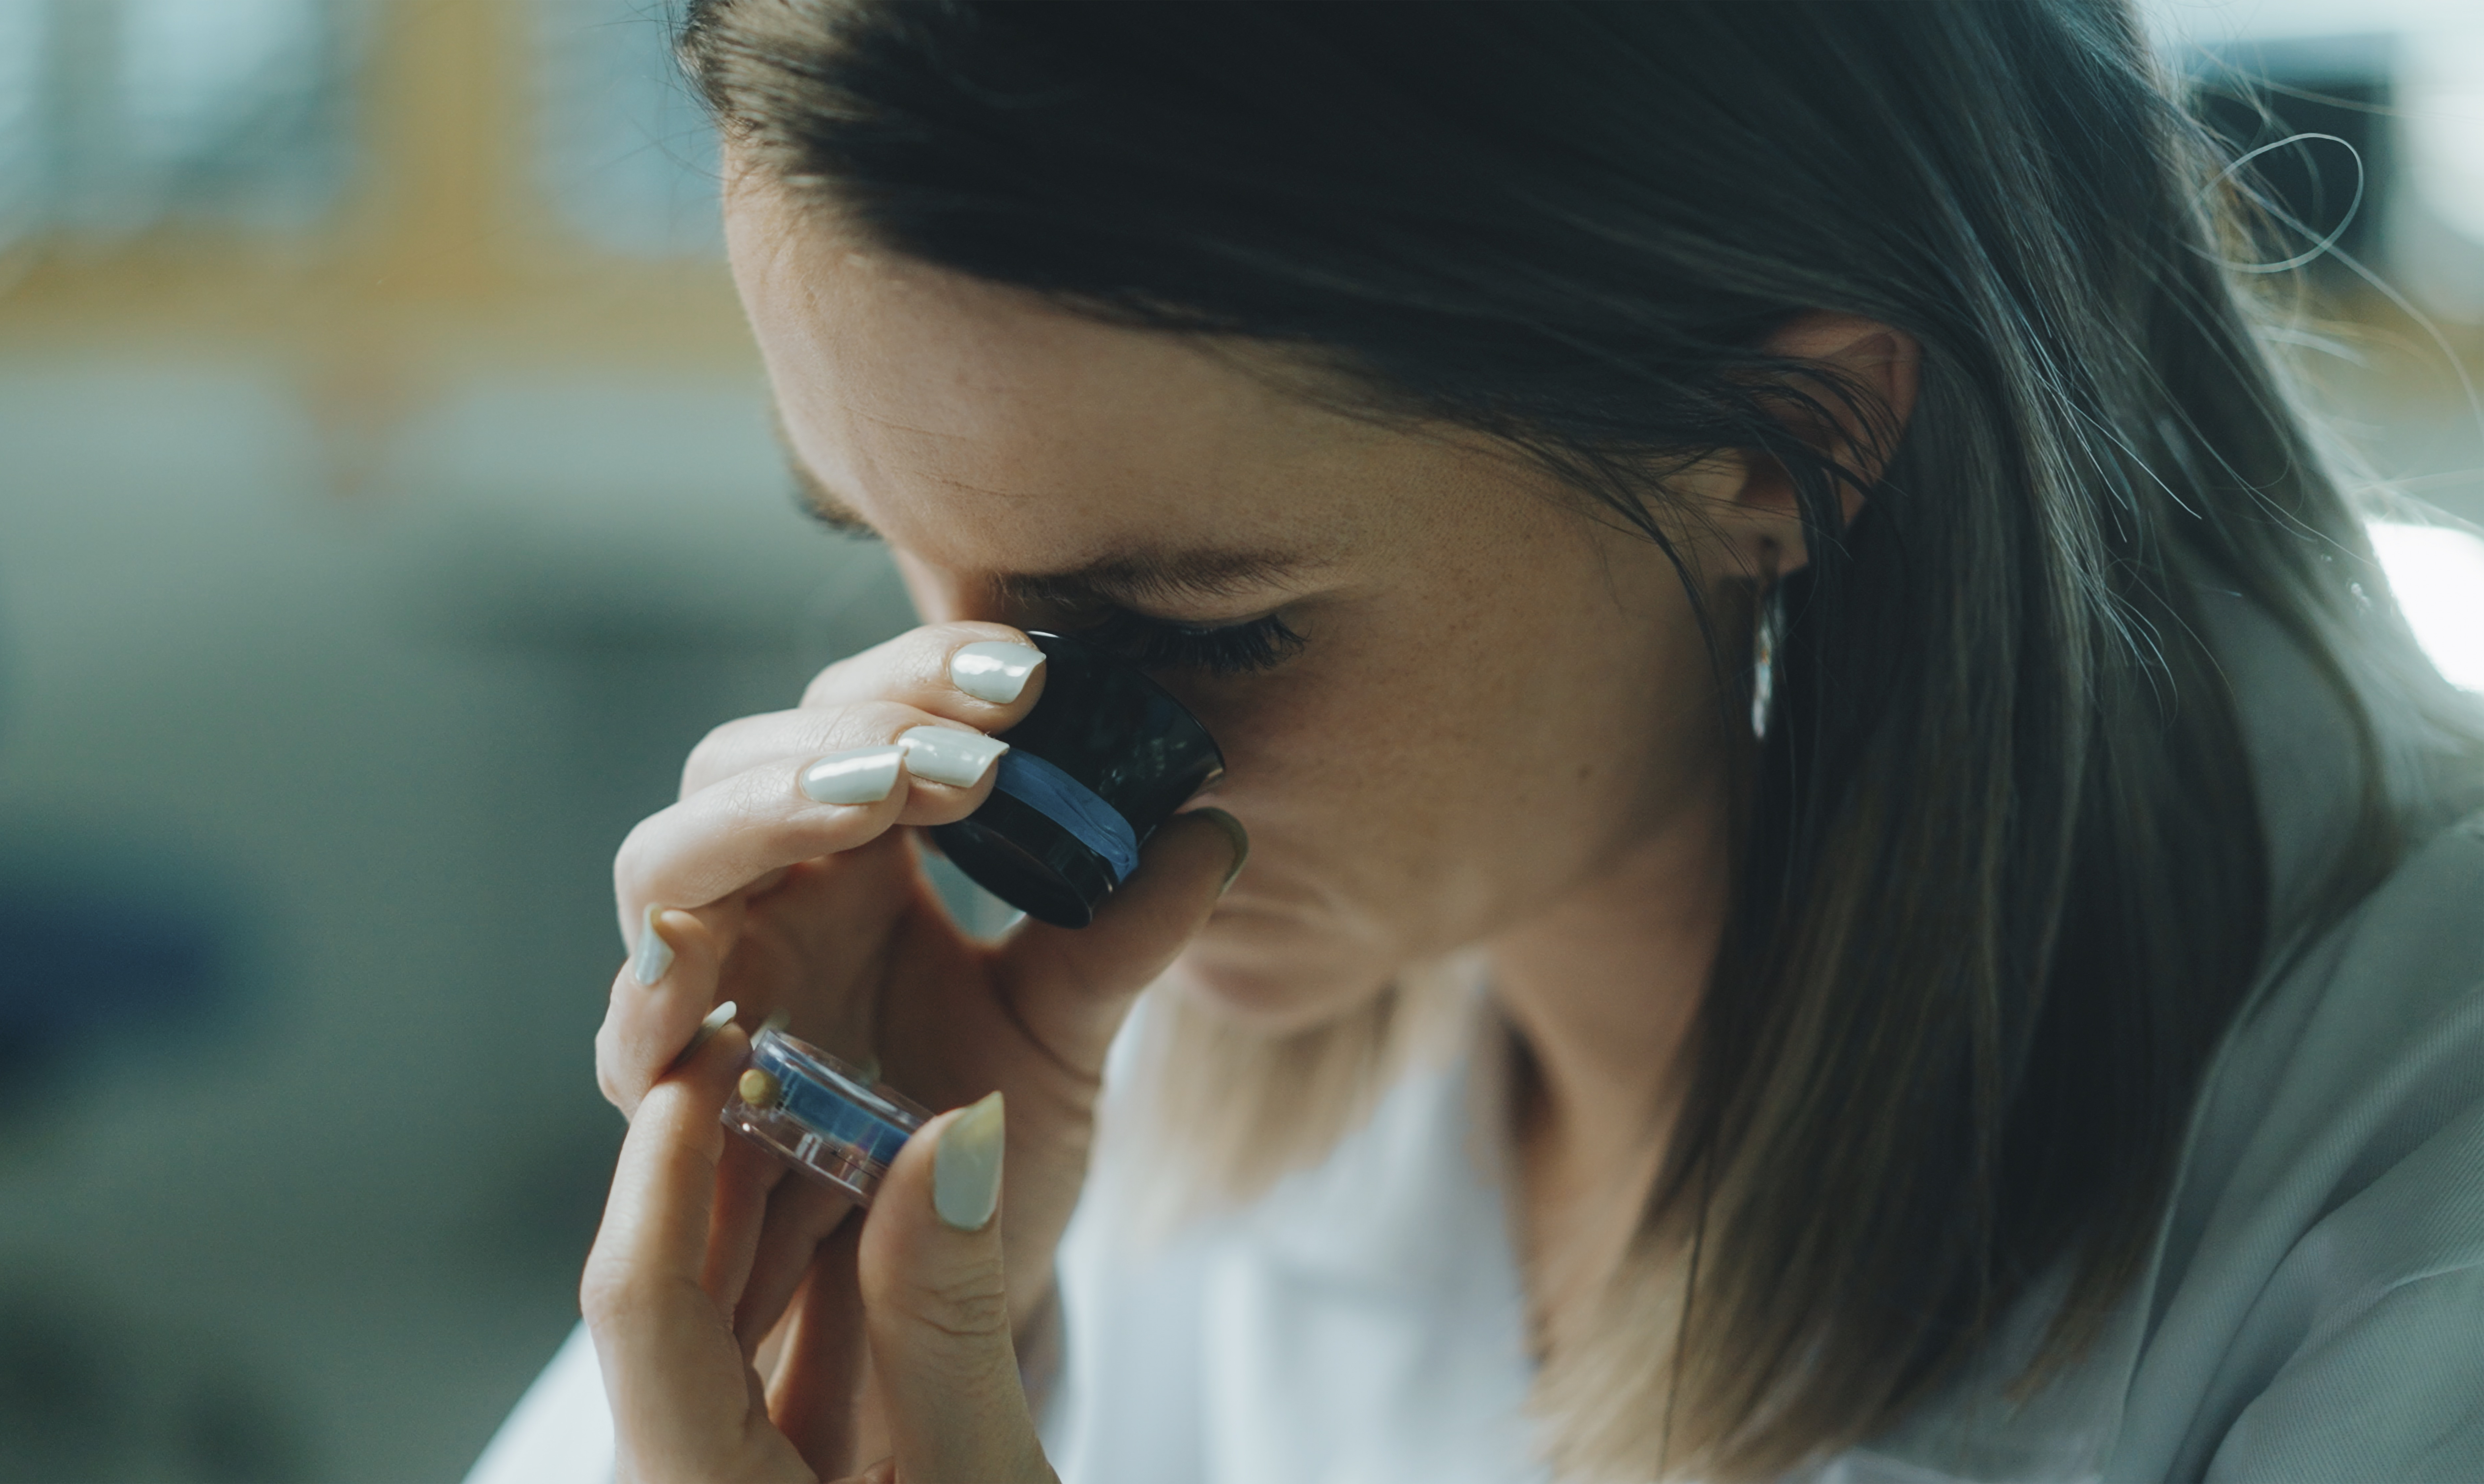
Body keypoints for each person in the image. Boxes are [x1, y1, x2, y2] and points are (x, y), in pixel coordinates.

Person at [467, 3, 2484, 1480]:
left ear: (1793, 449)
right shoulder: (1058, 1043)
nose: (998, 807)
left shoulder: (2408, 1198)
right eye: (892, 559)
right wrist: (863, 1331)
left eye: (1183, 635)